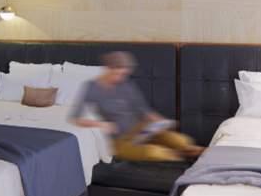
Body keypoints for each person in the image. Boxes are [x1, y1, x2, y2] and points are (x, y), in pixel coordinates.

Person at [70, 51, 203, 162]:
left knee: (180, 140)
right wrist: (100, 124)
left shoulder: (126, 85)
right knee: (153, 152)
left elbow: (143, 110)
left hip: (140, 129)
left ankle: (197, 152)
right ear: (108, 69)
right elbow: (75, 118)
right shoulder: (92, 88)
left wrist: (160, 121)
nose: (121, 78)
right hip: (119, 140)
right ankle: (185, 156)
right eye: (118, 73)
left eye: (124, 74)